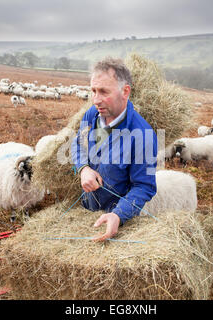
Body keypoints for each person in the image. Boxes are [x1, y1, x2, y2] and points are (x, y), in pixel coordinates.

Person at [71, 57, 158, 242]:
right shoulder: (91, 114)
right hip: (86, 211)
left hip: (118, 220)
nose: (96, 99)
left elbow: (145, 186)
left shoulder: (144, 135)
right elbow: (78, 143)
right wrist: (83, 168)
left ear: (125, 91)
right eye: (93, 91)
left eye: (103, 92)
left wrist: (118, 215)